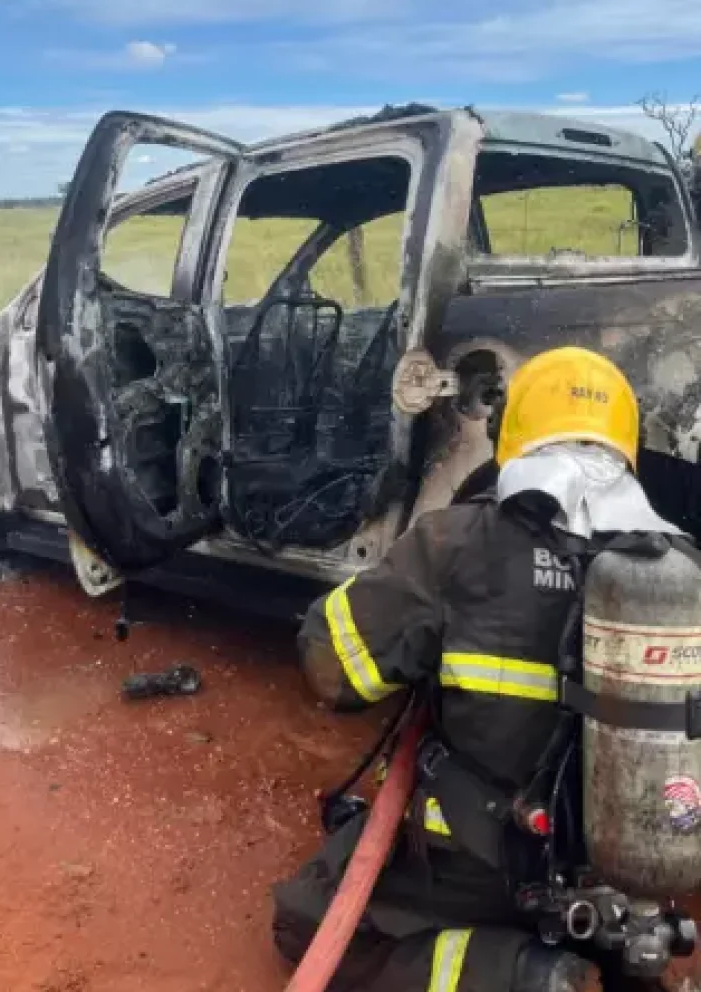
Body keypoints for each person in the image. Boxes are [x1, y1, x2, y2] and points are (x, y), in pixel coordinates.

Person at [270, 346, 686, 992]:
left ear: (512, 434)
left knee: (304, 924)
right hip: (628, 872)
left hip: (479, 860)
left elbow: (335, 671)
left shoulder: (454, 544)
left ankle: (526, 976)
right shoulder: (679, 570)